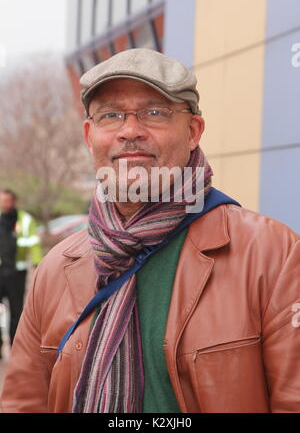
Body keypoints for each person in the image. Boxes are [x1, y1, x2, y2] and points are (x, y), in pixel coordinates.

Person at [1, 49, 300, 413]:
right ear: (89, 135)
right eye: (111, 115)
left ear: (193, 131)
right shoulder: (55, 270)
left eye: (154, 112)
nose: (129, 131)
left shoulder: (272, 253)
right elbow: (24, 403)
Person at [0, 189, 42, 359]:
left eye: (7, 200)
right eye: (2, 200)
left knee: (16, 311)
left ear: (14, 201)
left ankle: (15, 348)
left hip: (17, 272)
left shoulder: (25, 220)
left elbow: (34, 243)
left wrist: (38, 263)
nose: (4, 204)